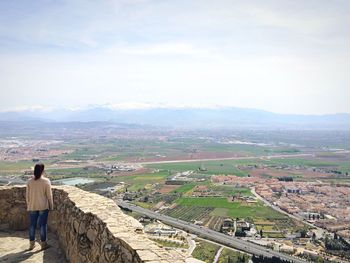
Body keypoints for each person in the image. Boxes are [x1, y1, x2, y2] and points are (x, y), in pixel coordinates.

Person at [26, 163, 54, 250]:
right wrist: (51, 206)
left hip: (33, 206)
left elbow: (27, 196)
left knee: (32, 225)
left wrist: (29, 205)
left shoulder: (30, 182)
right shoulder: (46, 181)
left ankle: (31, 244)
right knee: (42, 225)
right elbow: (49, 196)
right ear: (42, 171)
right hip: (43, 206)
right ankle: (43, 244)